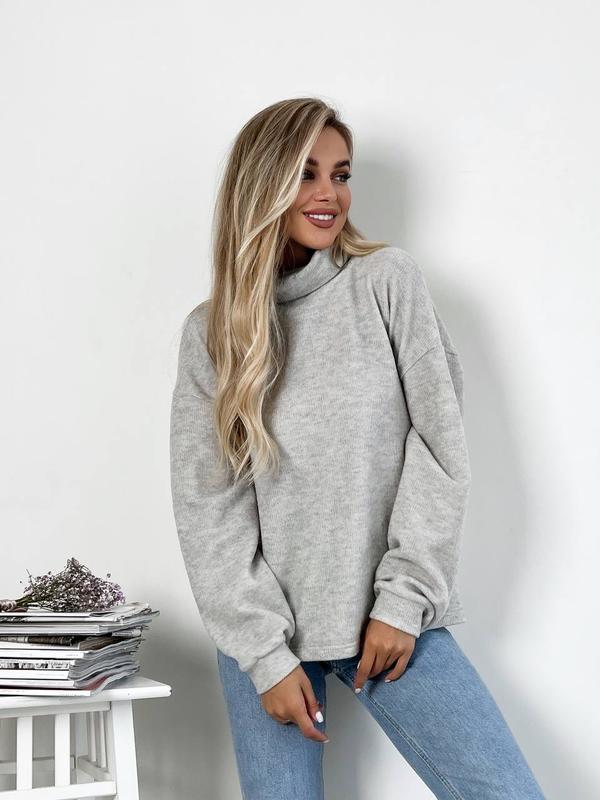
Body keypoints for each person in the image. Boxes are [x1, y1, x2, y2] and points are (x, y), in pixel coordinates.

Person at [169, 97, 546, 799]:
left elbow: (439, 448)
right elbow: (209, 509)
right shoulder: (212, 334)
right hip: (266, 638)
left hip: (389, 620)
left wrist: (402, 603)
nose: (329, 194)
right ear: (262, 184)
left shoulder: (386, 282)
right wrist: (264, 655)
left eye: (341, 175)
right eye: (305, 174)